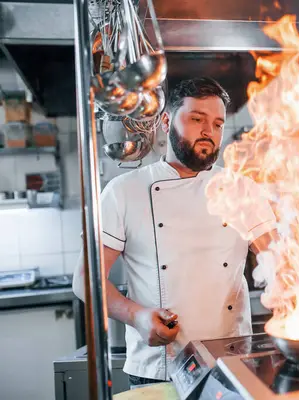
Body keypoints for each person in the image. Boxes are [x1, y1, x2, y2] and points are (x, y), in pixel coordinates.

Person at [72, 78, 277, 387]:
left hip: (232, 363)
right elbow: (86, 281)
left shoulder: (241, 189)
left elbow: (281, 262)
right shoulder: (124, 191)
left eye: (218, 123)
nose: (209, 131)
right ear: (166, 121)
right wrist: (137, 316)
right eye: (197, 119)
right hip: (159, 368)